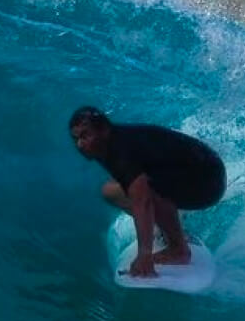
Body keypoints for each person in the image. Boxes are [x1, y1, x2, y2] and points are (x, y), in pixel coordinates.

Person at [69, 106, 226, 278]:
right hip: (193, 171)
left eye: (85, 136)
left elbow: (142, 202)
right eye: (75, 138)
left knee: (148, 190)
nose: (80, 145)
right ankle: (170, 226)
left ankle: (178, 249)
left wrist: (144, 256)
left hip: (210, 182)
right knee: (110, 191)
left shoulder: (120, 150)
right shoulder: (107, 144)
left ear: (104, 130)